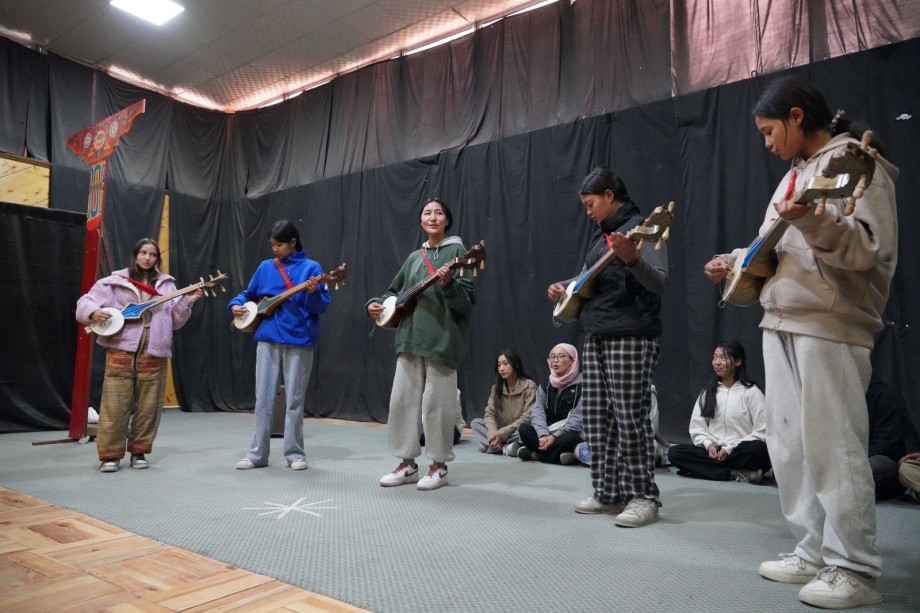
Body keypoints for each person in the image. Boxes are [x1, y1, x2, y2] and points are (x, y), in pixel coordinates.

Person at [704, 76, 898, 609]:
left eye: (770, 131)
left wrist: (812, 218)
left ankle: (854, 567)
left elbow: (867, 251)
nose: (767, 143)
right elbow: (784, 248)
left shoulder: (859, 161)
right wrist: (738, 258)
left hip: (831, 324)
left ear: (795, 116)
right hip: (780, 320)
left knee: (835, 446)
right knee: (789, 447)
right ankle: (813, 551)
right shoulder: (793, 175)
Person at [548, 167, 669, 528]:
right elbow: (588, 279)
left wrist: (632, 257)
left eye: (590, 203)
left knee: (631, 417)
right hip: (596, 334)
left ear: (610, 196)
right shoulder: (600, 239)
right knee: (597, 420)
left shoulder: (647, 227)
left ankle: (644, 496)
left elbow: (660, 282)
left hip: (632, 334)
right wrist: (564, 286)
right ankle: (608, 492)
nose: (588, 211)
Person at [367, 198, 476, 491]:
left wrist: (449, 285)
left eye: (438, 212)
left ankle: (439, 467)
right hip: (409, 338)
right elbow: (391, 292)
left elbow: (467, 302)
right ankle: (407, 464)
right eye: (427, 213)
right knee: (401, 403)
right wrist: (376, 305)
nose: (432, 217)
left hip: (442, 341)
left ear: (447, 220)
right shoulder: (415, 257)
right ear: (421, 221)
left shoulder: (459, 252)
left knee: (437, 406)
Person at [76, 238, 202, 472]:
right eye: (143, 253)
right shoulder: (114, 282)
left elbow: (175, 321)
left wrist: (188, 301)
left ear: (157, 258)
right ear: (135, 255)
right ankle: (110, 455)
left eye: (152, 254)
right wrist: (94, 313)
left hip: (154, 347)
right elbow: (84, 302)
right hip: (121, 346)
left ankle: (139, 451)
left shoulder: (167, 285)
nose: (147, 257)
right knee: (115, 404)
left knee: (149, 406)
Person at [228, 220, 330, 471]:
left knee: (294, 399)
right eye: (272, 244)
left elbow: (321, 307)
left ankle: (295, 453)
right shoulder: (265, 267)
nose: (275, 249)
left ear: (293, 242)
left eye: (280, 244)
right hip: (267, 339)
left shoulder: (312, 268)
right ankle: (256, 454)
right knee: (262, 398)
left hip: (299, 340)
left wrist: (314, 292)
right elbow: (247, 294)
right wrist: (234, 305)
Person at [667, 341, 771, 482]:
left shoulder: (752, 392)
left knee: (759, 450)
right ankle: (734, 473)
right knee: (675, 453)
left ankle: (711, 470)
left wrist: (729, 448)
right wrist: (709, 445)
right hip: (714, 451)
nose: (717, 362)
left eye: (723, 358)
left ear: (738, 361)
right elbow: (697, 427)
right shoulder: (708, 392)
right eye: (715, 357)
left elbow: (762, 430)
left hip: (739, 450)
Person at [517, 343, 584, 465]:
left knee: (570, 439)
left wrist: (554, 438)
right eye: (552, 357)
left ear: (572, 361)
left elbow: (577, 420)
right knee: (524, 429)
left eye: (561, 356)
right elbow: (537, 411)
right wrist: (543, 435)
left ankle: (535, 455)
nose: (555, 361)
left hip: (568, 433)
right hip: (548, 431)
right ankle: (560, 456)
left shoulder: (584, 385)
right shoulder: (546, 384)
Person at [470, 348, 537, 456]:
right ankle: (504, 447)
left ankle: (490, 445)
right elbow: (489, 414)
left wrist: (501, 434)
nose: (501, 368)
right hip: (501, 430)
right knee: (476, 423)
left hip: (516, 430)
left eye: (506, 364)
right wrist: (493, 434)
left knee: (525, 431)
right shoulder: (496, 387)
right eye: (499, 365)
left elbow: (527, 417)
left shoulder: (529, 385)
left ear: (516, 364)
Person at [865, 376, 906, 499]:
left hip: (875, 458)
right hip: (845, 460)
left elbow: (886, 443)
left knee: (876, 466)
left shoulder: (880, 394)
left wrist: (855, 461)